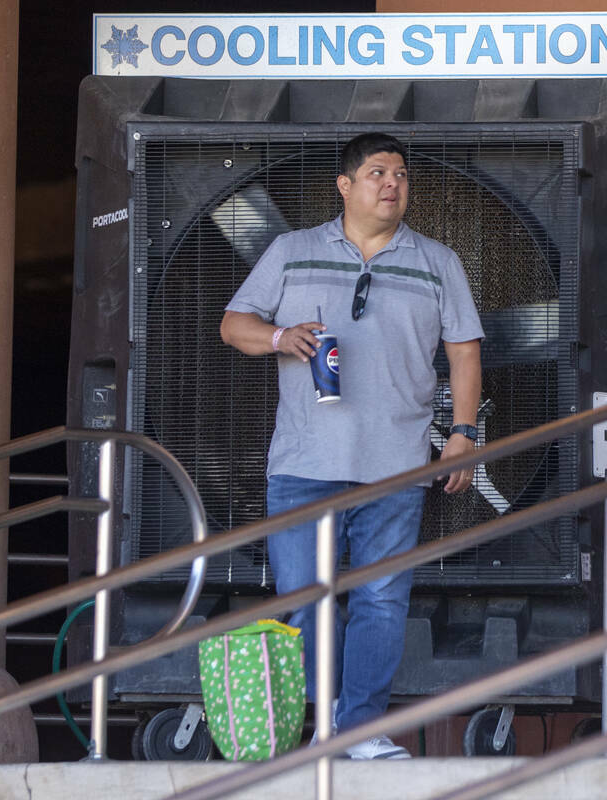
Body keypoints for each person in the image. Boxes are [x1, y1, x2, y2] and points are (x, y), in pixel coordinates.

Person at [220, 132, 484, 759]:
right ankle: (321, 721)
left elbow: (465, 352)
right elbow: (234, 325)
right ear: (344, 186)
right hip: (304, 466)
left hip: (395, 468)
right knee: (304, 601)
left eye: (399, 174)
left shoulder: (437, 261)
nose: (391, 183)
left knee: (382, 601)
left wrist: (464, 436)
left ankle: (356, 729)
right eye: (375, 173)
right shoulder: (292, 249)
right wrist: (282, 336)